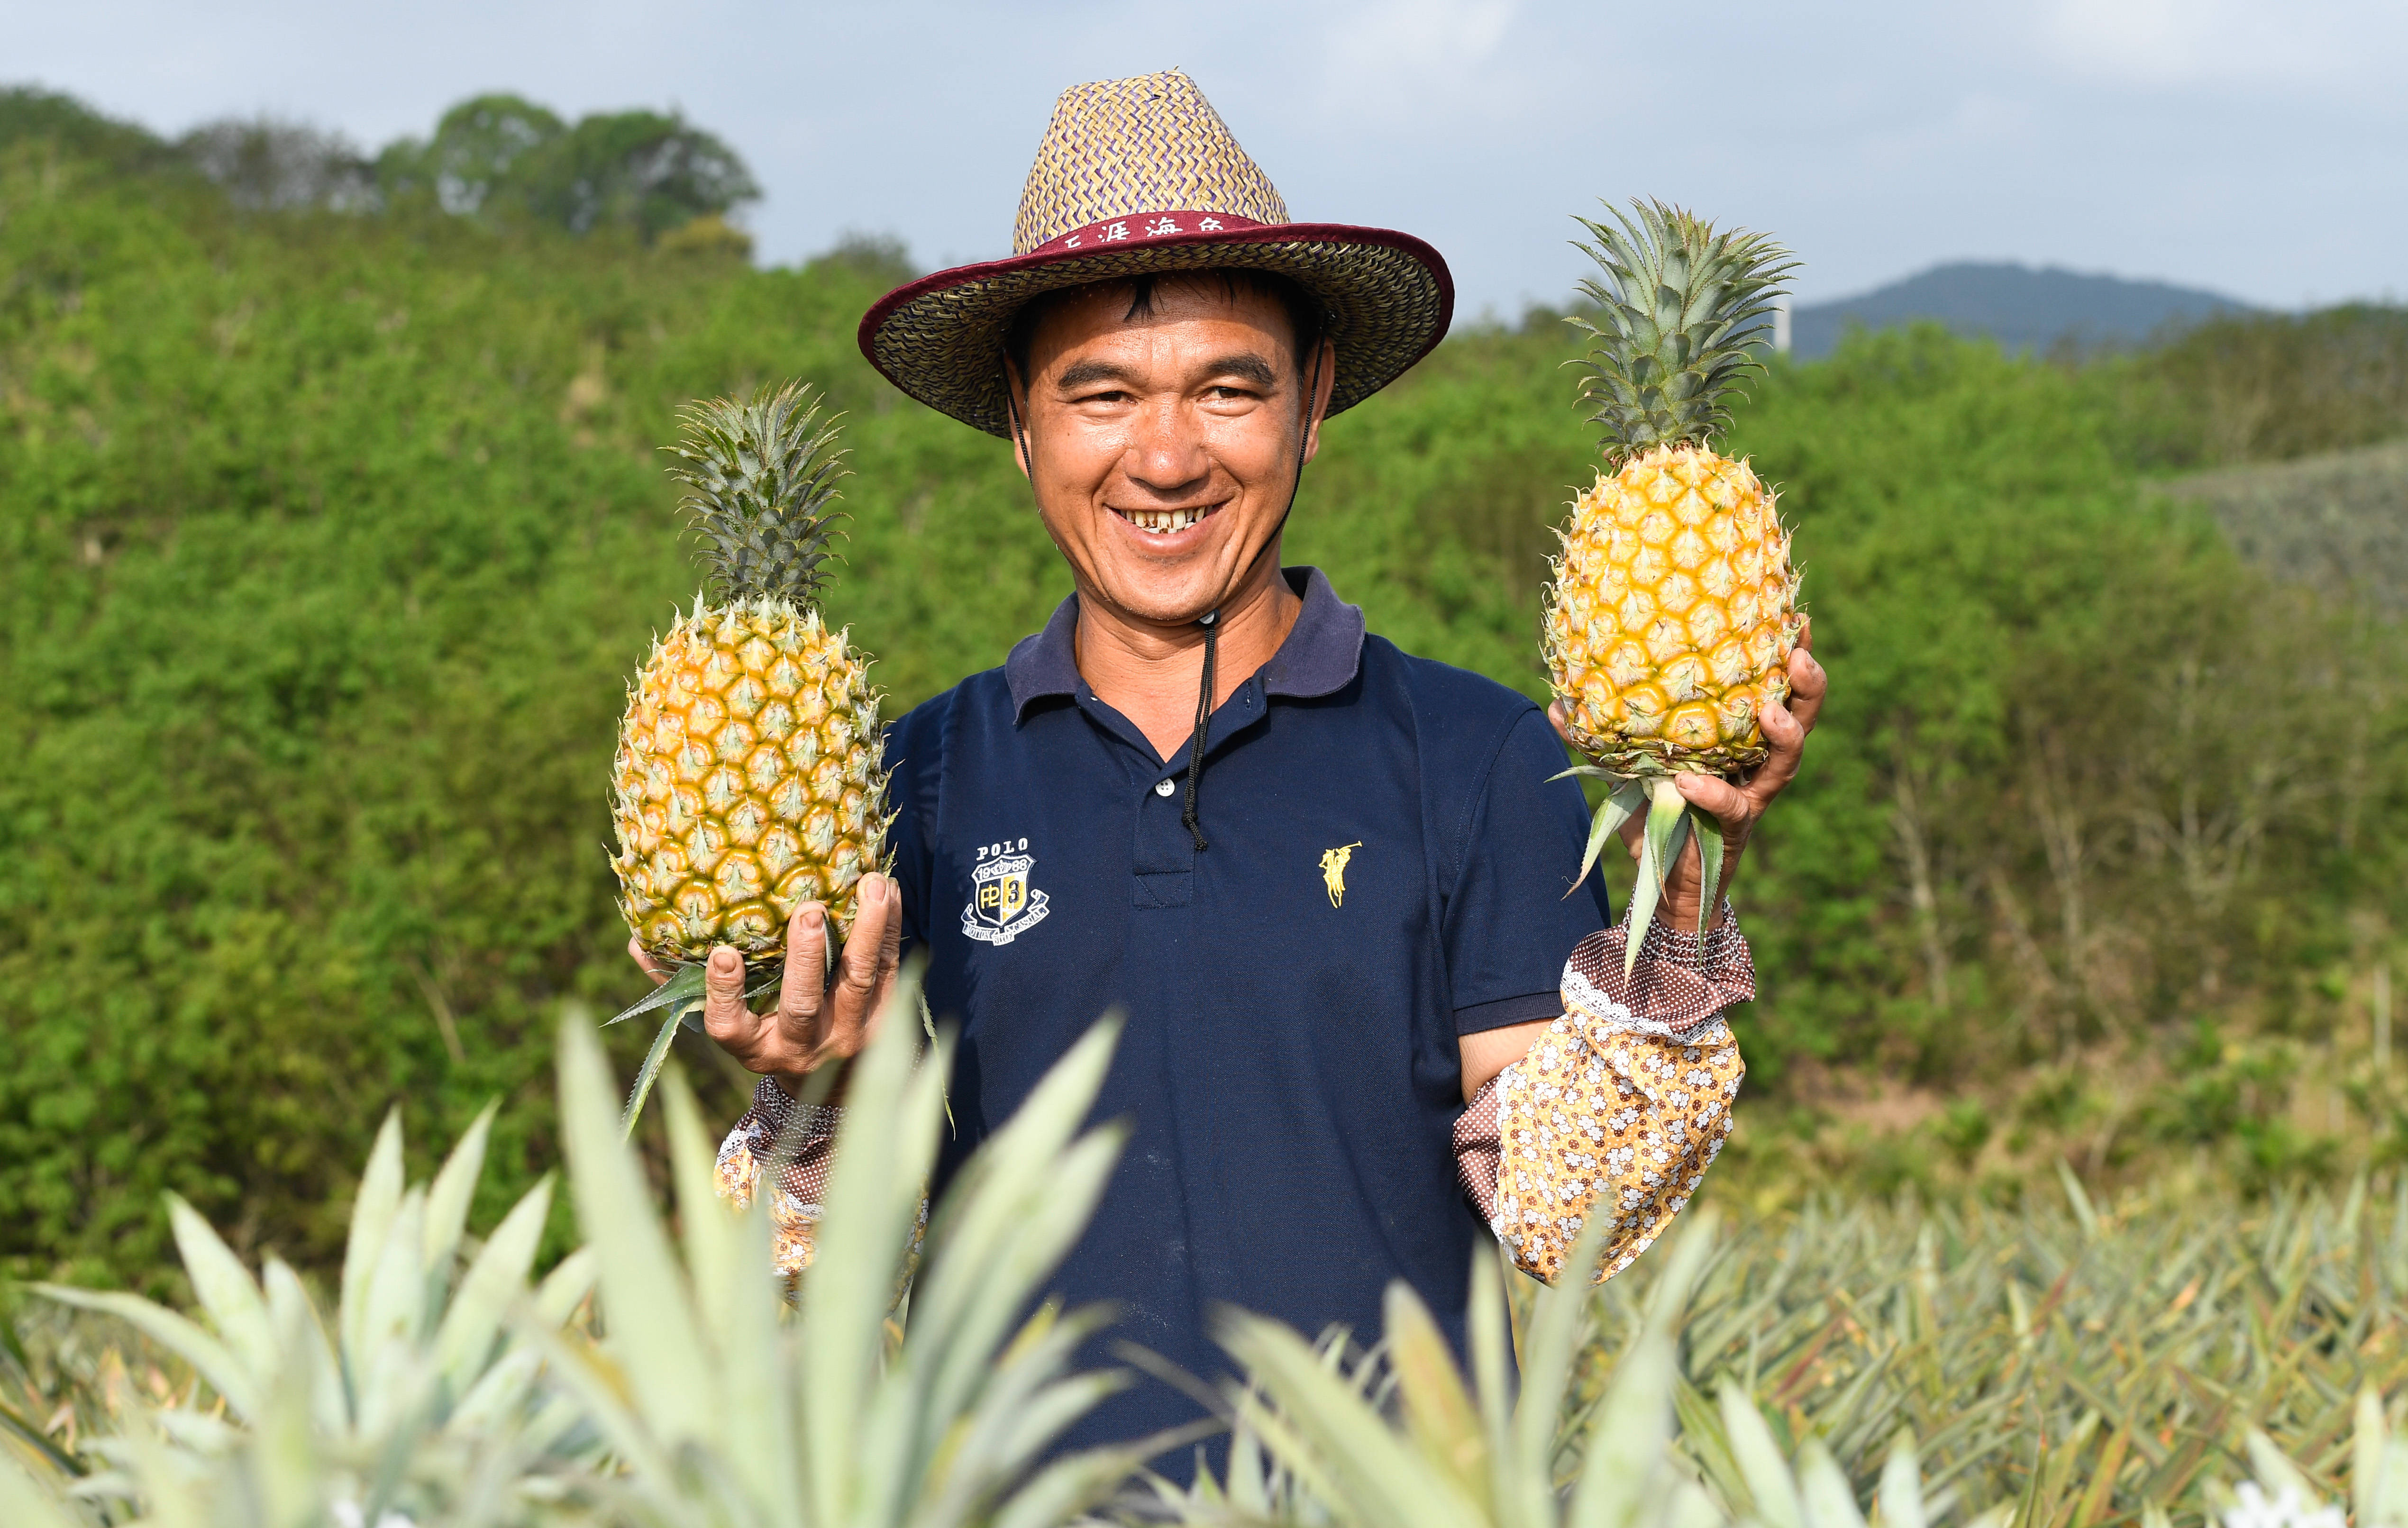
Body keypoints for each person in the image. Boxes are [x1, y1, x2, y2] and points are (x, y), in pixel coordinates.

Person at [639, 69, 1825, 1459]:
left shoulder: (1477, 757)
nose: (1166, 454)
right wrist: (805, 1096)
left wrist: (1674, 920)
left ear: (1312, 402)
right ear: (1021, 424)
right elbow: (826, 1266)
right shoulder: (911, 786)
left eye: (1228, 387)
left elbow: (1571, 1219)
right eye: (1100, 394)